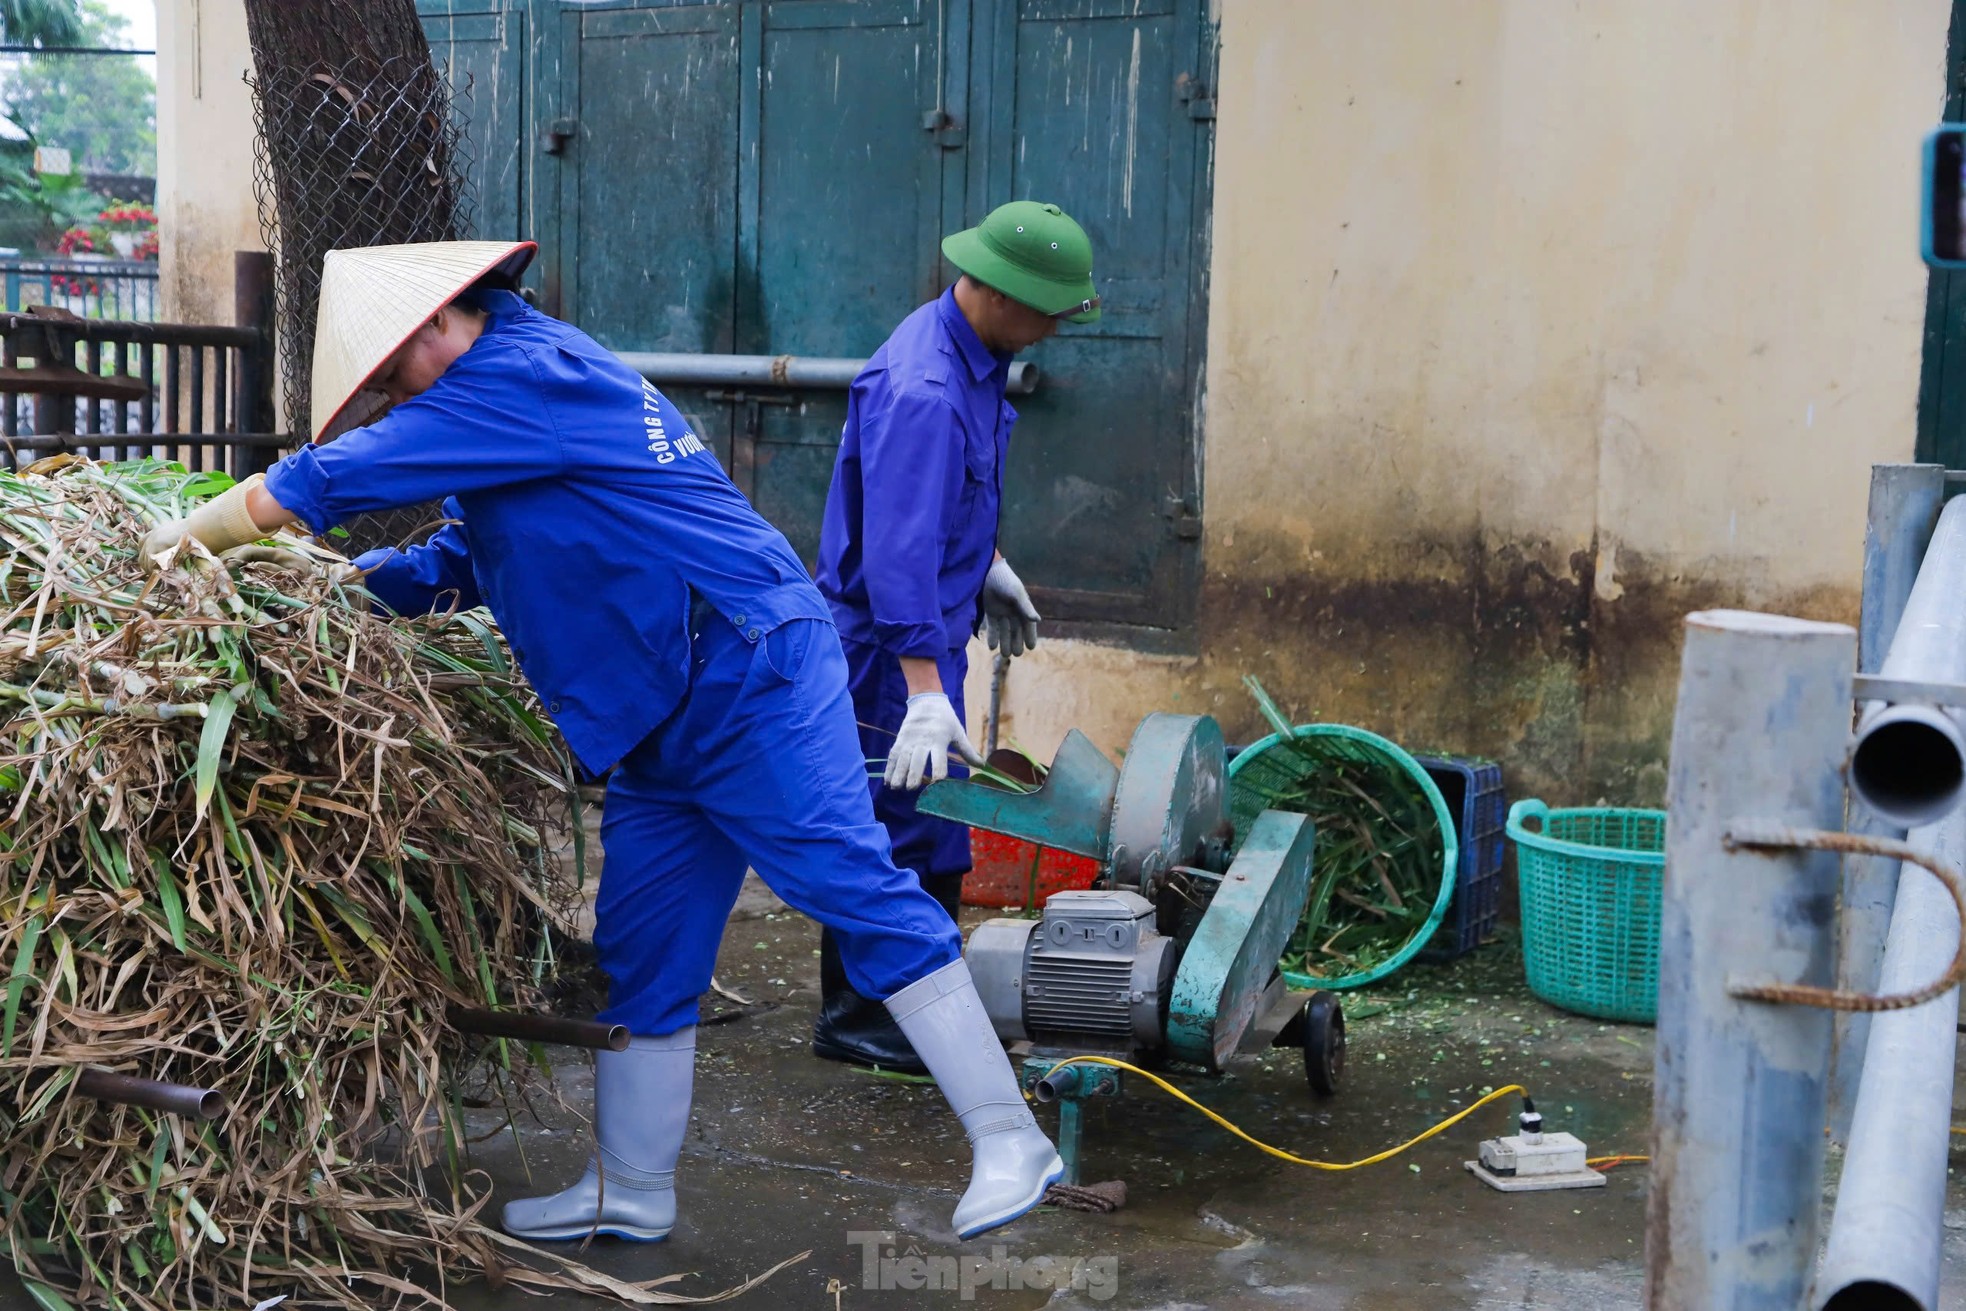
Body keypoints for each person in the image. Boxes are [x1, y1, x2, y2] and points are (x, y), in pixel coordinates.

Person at [137, 239, 1063, 1243]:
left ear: (438, 324)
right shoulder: (513, 397)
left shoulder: (518, 373)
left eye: (394, 374)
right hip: (659, 706)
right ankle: (631, 1189)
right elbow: (471, 554)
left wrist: (172, 547)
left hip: (743, 667)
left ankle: (1012, 1140)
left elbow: (323, 480)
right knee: (645, 948)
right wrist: (346, 593)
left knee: (851, 885)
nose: (396, 402)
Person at [809, 201, 1098, 1072]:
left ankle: (918, 993)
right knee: (892, 824)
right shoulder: (927, 388)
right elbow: (896, 554)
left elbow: (940, 505)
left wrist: (988, 565)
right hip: (892, 647)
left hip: (931, 629)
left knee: (936, 825)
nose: (1053, 328)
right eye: (1049, 310)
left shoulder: (976, 355)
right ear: (1005, 294)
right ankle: (859, 1016)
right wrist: (925, 692)